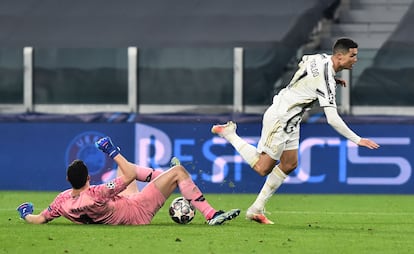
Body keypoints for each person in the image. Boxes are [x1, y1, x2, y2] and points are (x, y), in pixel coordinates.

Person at [211, 38, 380, 224]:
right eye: (352, 55)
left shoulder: (320, 58)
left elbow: (304, 61)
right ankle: (229, 134)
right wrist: (357, 140)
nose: (355, 59)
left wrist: (331, 79)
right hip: (281, 117)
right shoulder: (325, 81)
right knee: (262, 168)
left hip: (292, 119)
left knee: (290, 164)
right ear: (339, 57)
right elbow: (332, 119)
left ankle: (256, 209)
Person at [16, 136, 240, 225]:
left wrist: (26, 213)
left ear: (67, 179)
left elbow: (40, 219)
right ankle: (211, 215)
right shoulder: (98, 192)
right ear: (88, 177)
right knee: (180, 171)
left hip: (122, 205)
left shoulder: (61, 201)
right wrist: (111, 151)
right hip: (138, 211)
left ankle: (166, 177)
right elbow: (131, 174)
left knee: (120, 173)